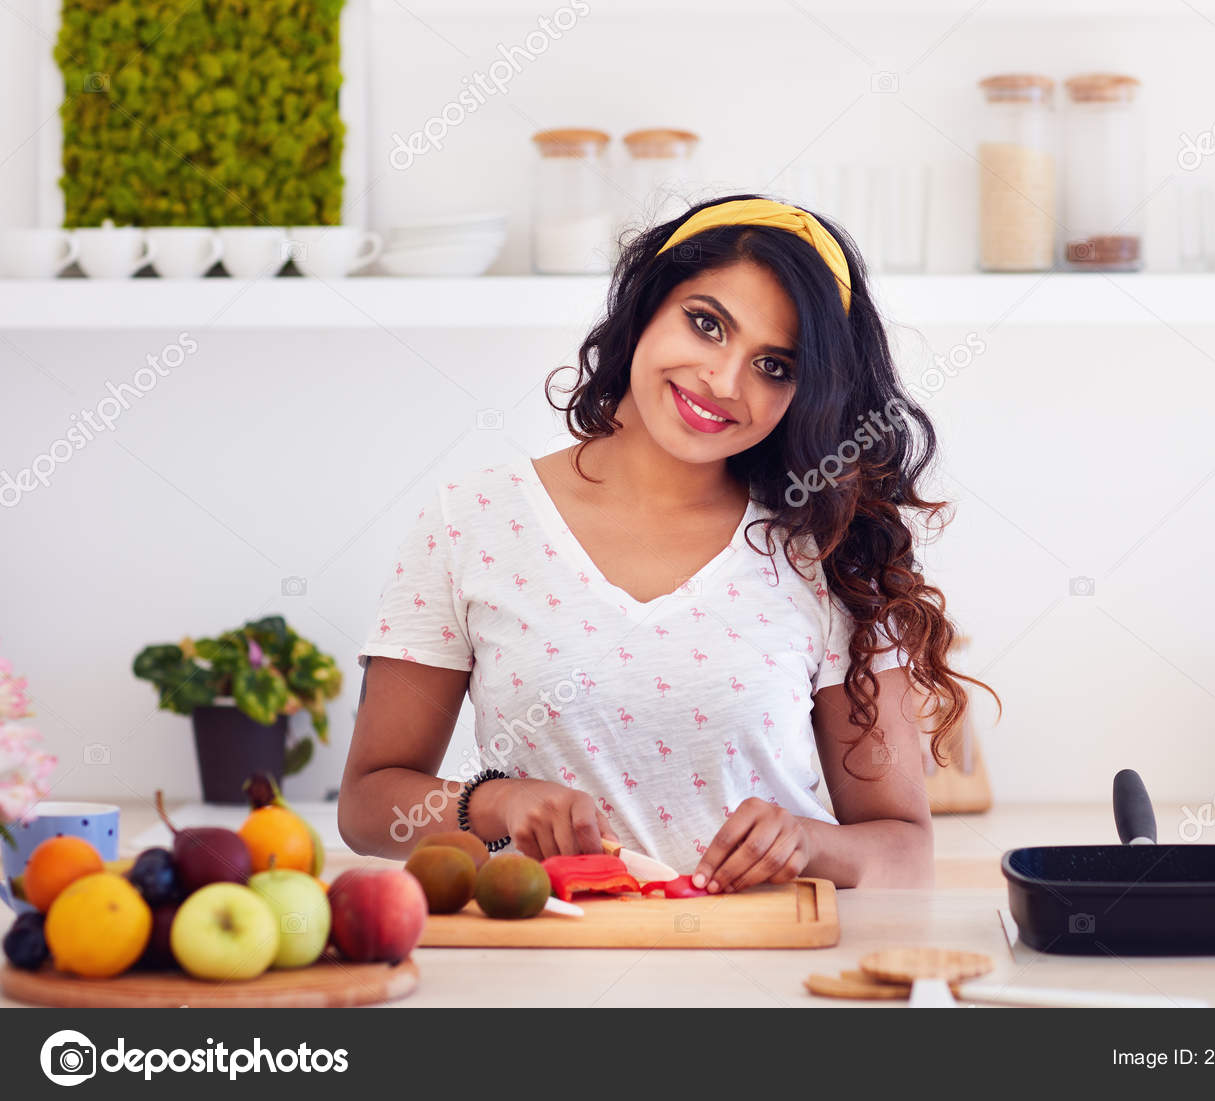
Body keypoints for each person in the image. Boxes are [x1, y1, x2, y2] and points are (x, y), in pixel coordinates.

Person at [338, 195, 997, 891]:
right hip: (542, 966)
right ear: (646, 306)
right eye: (706, 324)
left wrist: (806, 842)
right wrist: (496, 802)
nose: (723, 381)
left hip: (764, 974)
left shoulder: (827, 552)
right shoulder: (471, 521)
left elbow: (904, 849)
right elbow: (366, 806)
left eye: (775, 366)